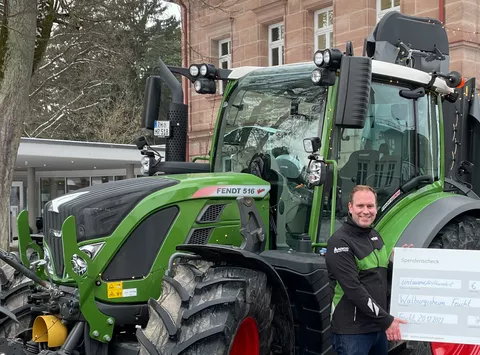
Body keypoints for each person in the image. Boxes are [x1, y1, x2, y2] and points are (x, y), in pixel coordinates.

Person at [325, 185, 407, 355]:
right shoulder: (340, 242)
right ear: (350, 207)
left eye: (370, 206)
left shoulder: (375, 236)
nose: (365, 211)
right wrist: (386, 320)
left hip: (377, 329)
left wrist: (404, 261)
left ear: (376, 208)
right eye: (360, 206)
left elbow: (379, 276)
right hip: (352, 333)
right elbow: (354, 289)